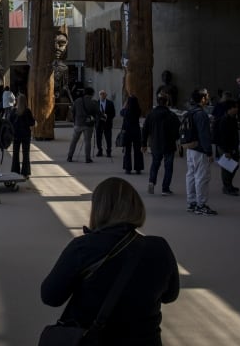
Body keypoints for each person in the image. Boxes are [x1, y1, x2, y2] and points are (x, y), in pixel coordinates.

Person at [41, 177, 179, 345]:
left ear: (98, 209)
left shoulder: (84, 248)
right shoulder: (159, 247)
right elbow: (170, 295)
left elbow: (50, 297)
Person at [185, 89, 217, 215]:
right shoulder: (201, 114)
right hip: (200, 150)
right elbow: (204, 135)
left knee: (191, 175)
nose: (208, 98)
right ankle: (201, 205)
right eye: (206, 96)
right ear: (202, 99)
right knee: (202, 177)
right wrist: (208, 151)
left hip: (191, 148)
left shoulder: (191, 111)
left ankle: (191, 203)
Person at [141, 94, 181, 195]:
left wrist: (144, 144)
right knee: (168, 167)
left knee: (155, 164)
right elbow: (178, 130)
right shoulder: (172, 115)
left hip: (155, 144)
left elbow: (145, 130)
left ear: (157, 102)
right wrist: (177, 140)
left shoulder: (151, 114)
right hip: (169, 145)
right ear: (167, 102)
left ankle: (151, 182)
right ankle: (165, 188)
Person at [216, 99, 240, 195]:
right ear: (229, 109)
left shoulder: (233, 118)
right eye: (235, 107)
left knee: (234, 166)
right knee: (227, 168)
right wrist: (226, 151)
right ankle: (227, 187)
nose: (237, 109)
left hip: (233, 147)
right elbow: (223, 137)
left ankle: (229, 185)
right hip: (226, 148)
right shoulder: (224, 120)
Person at [67, 88, 99, 163]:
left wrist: (75, 120)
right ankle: (87, 158)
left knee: (74, 141)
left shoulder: (77, 101)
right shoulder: (93, 102)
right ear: (92, 94)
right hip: (88, 125)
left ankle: (69, 156)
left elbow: (72, 111)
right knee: (87, 142)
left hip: (78, 124)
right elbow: (98, 112)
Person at [9, 93, 36, 179]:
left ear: (17, 101)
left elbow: (9, 123)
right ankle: (25, 173)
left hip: (16, 135)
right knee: (26, 154)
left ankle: (15, 171)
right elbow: (31, 123)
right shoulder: (27, 111)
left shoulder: (13, 111)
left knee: (15, 153)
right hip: (25, 135)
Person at [120, 95, 144, 175]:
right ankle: (138, 168)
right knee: (137, 151)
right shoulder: (138, 110)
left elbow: (121, 112)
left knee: (127, 151)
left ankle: (128, 168)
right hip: (136, 132)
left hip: (127, 132)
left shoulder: (126, 111)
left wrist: (125, 104)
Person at [95, 89, 116, 158]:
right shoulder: (96, 103)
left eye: (103, 94)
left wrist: (108, 116)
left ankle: (109, 151)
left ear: (106, 95)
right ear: (99, 95)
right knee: (98, 138)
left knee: (108, 138)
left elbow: (113, 114)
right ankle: (100, 150)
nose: (102, 95)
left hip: (107, 123)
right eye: (101, 94)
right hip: (99, 123)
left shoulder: (110, 103)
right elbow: (94, 113)